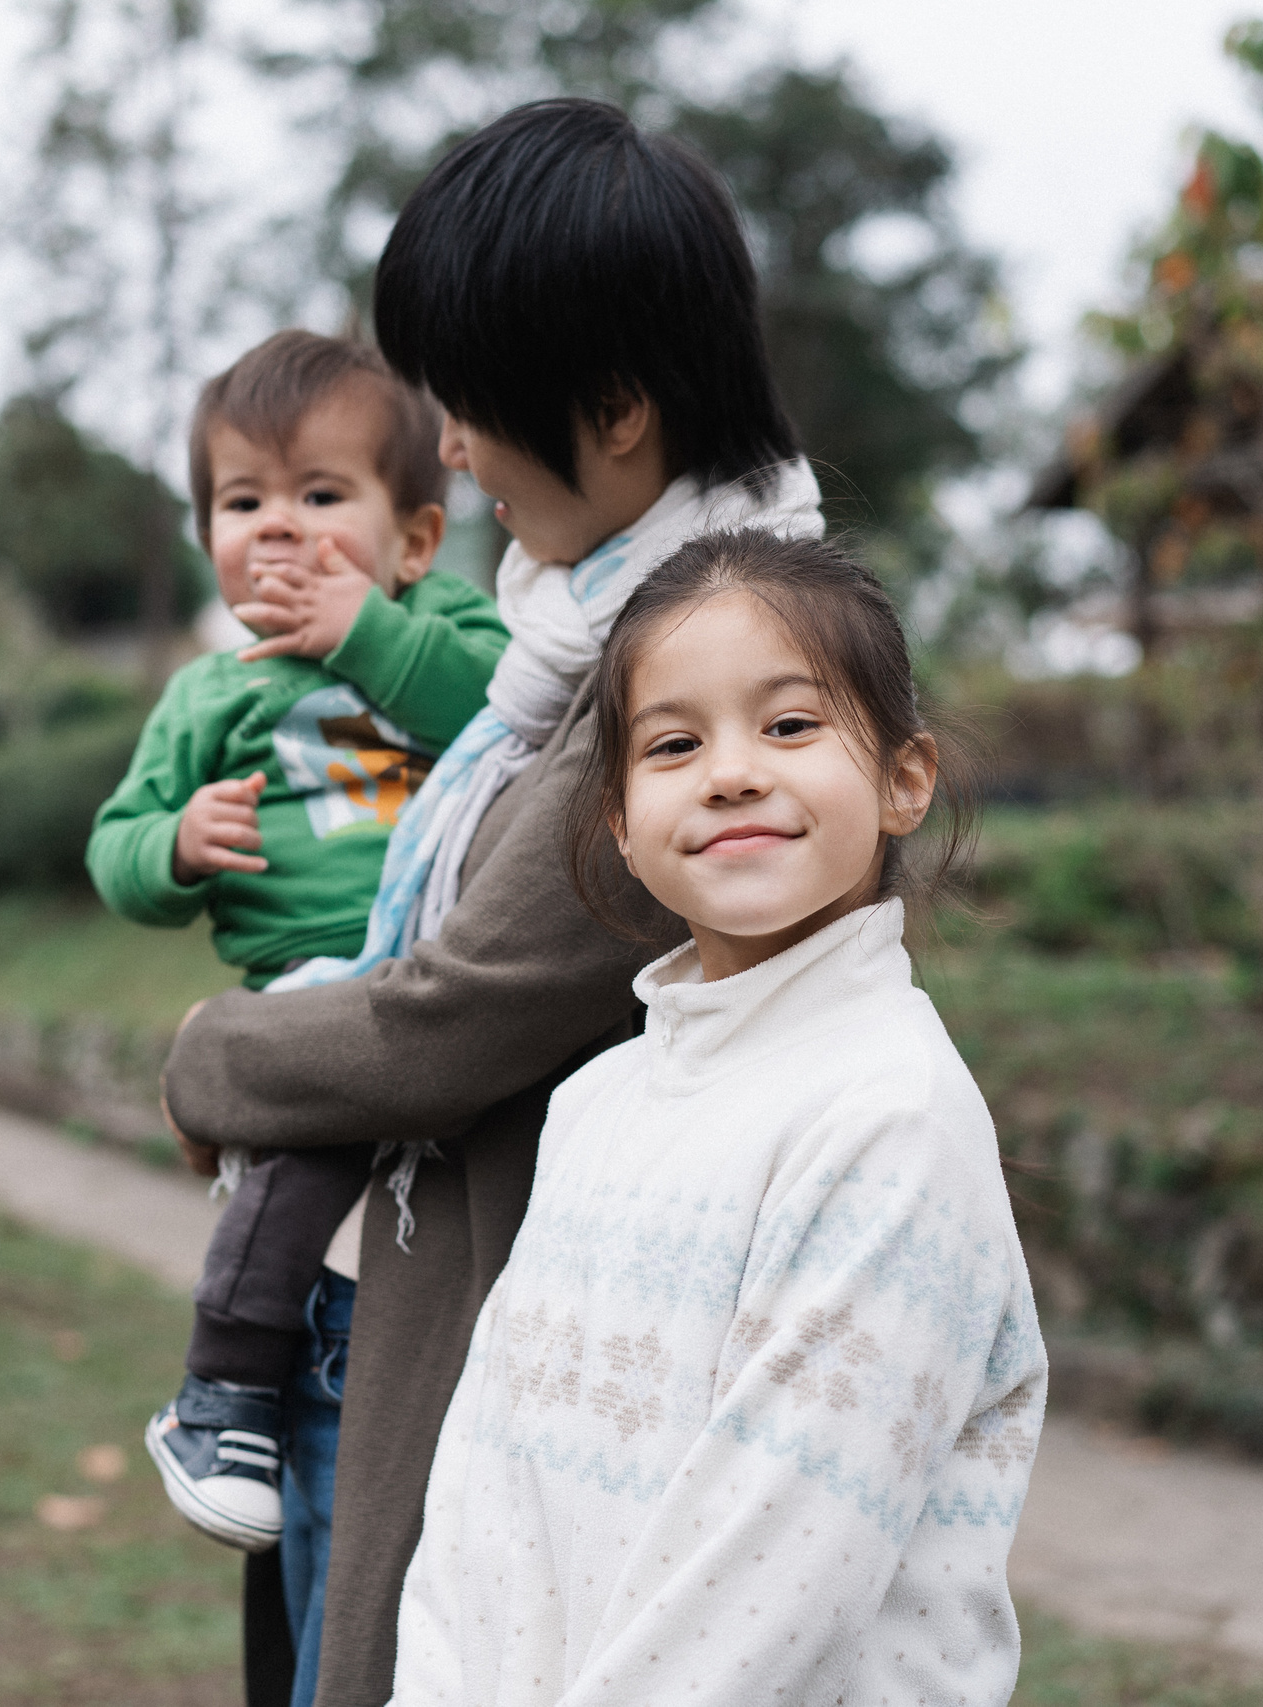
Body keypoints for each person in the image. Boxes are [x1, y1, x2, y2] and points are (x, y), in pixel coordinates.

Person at [157, 98, 825, 1707]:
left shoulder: (696, 684)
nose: (447, 446)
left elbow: (451, 1022)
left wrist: (213, 1052)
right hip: (426, 1300)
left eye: (469, 407)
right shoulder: (578, 637)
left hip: (518, 1347)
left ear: (614, 410)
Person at [389, 529, 1046, 1704]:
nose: (730, 771)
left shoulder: (889, 1120)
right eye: (675, 743)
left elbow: (772, 1586)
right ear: (623, 825)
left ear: (905, 779)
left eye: (789, 725)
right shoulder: (594, 1103)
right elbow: (482, 1494)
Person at [88, 331, 509, 1565]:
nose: (278, 528)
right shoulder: (206, 698)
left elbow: (490, 709)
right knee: (317, 1121)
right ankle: (222, 1389)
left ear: (415, 539)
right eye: (242, 501)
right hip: (313, 980)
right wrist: (175, 842)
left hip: (446, 968)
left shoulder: (443, 628)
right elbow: (113, 853)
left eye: (321, 496)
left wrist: (361, 629)